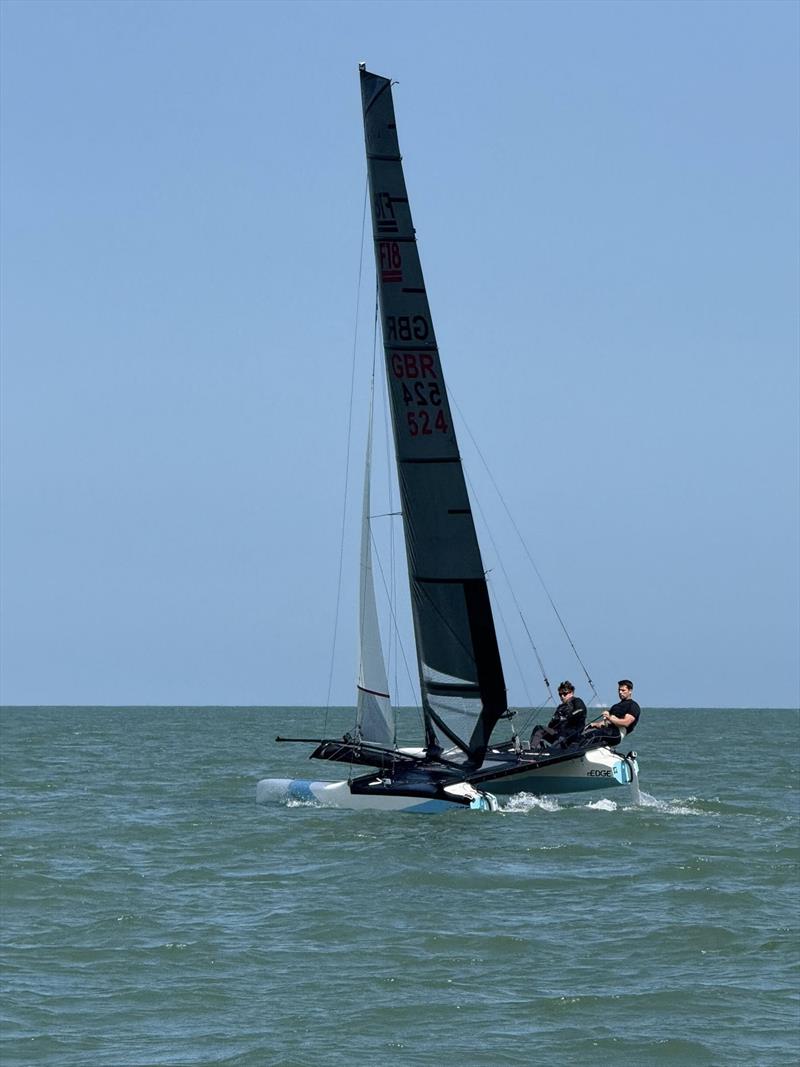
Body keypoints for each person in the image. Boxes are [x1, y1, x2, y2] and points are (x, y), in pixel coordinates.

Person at [529, 681, 587, 751]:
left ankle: (549, 752)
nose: (562, 696)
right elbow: (551, 725)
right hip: (558, 733)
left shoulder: (577, 701)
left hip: (570, 735)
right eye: (560, 694)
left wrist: (568, 717)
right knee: (538, 729)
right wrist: (555, 720)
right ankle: (533, 749)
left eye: (564, 693)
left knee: (559, 742)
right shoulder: (560, 707)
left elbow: (580, 710)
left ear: (571, 692)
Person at [584, 679, 641, 747]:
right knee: (584, 733)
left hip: (617, 734)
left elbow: (626, 723)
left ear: (630, 691)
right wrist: (593, 725)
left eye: (623, 690)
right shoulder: (615, 706)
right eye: (619, 690)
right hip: (607, 730)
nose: (620, 692)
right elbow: (606, 723)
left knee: (593, 736)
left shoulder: (633, 705)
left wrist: (610, 718)